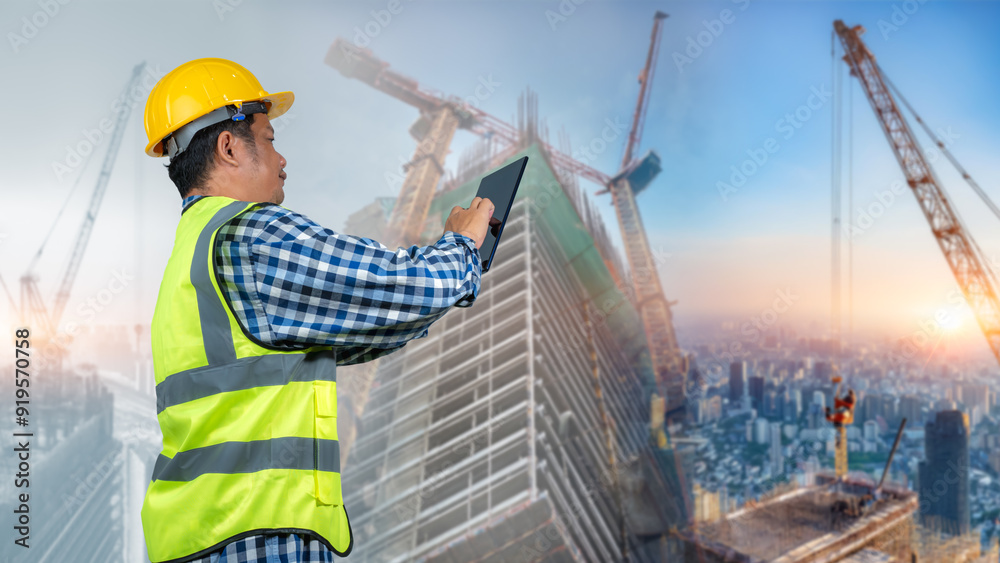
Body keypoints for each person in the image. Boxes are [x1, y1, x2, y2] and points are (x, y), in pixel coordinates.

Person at [139, 58, 497, 563]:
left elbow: (364, 323)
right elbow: (390, 285)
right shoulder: (248, 234)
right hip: (254, 533)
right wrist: (461, 245)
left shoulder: (190, 255)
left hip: (201, 535)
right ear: (227, 146)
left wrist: (425, 301)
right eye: (267, 139)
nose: (282, 160)